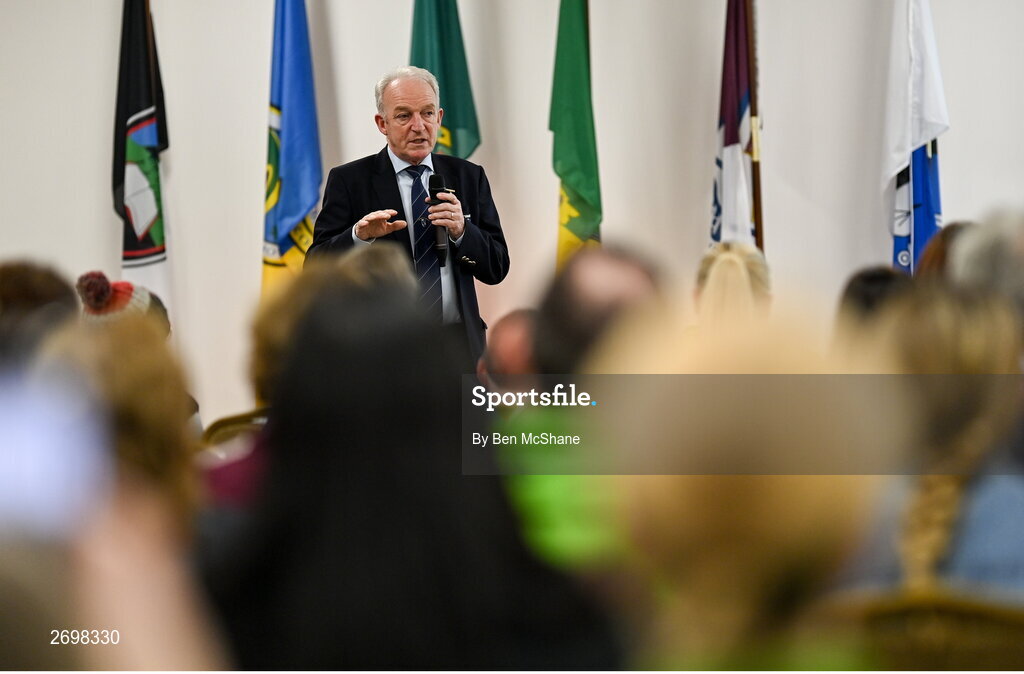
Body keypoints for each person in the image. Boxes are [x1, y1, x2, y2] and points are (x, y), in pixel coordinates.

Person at [307, 66, 509, 364]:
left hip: (459, 348)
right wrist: (359, 237)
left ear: (439, 118)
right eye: (404, 116)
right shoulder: (350, 181)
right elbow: (315, 267)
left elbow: (497, 267)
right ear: (382, 123)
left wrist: (462, 231)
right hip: (383, 352)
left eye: (427, 113)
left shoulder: (468, 177)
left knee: (469, 414)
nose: (418, 126)